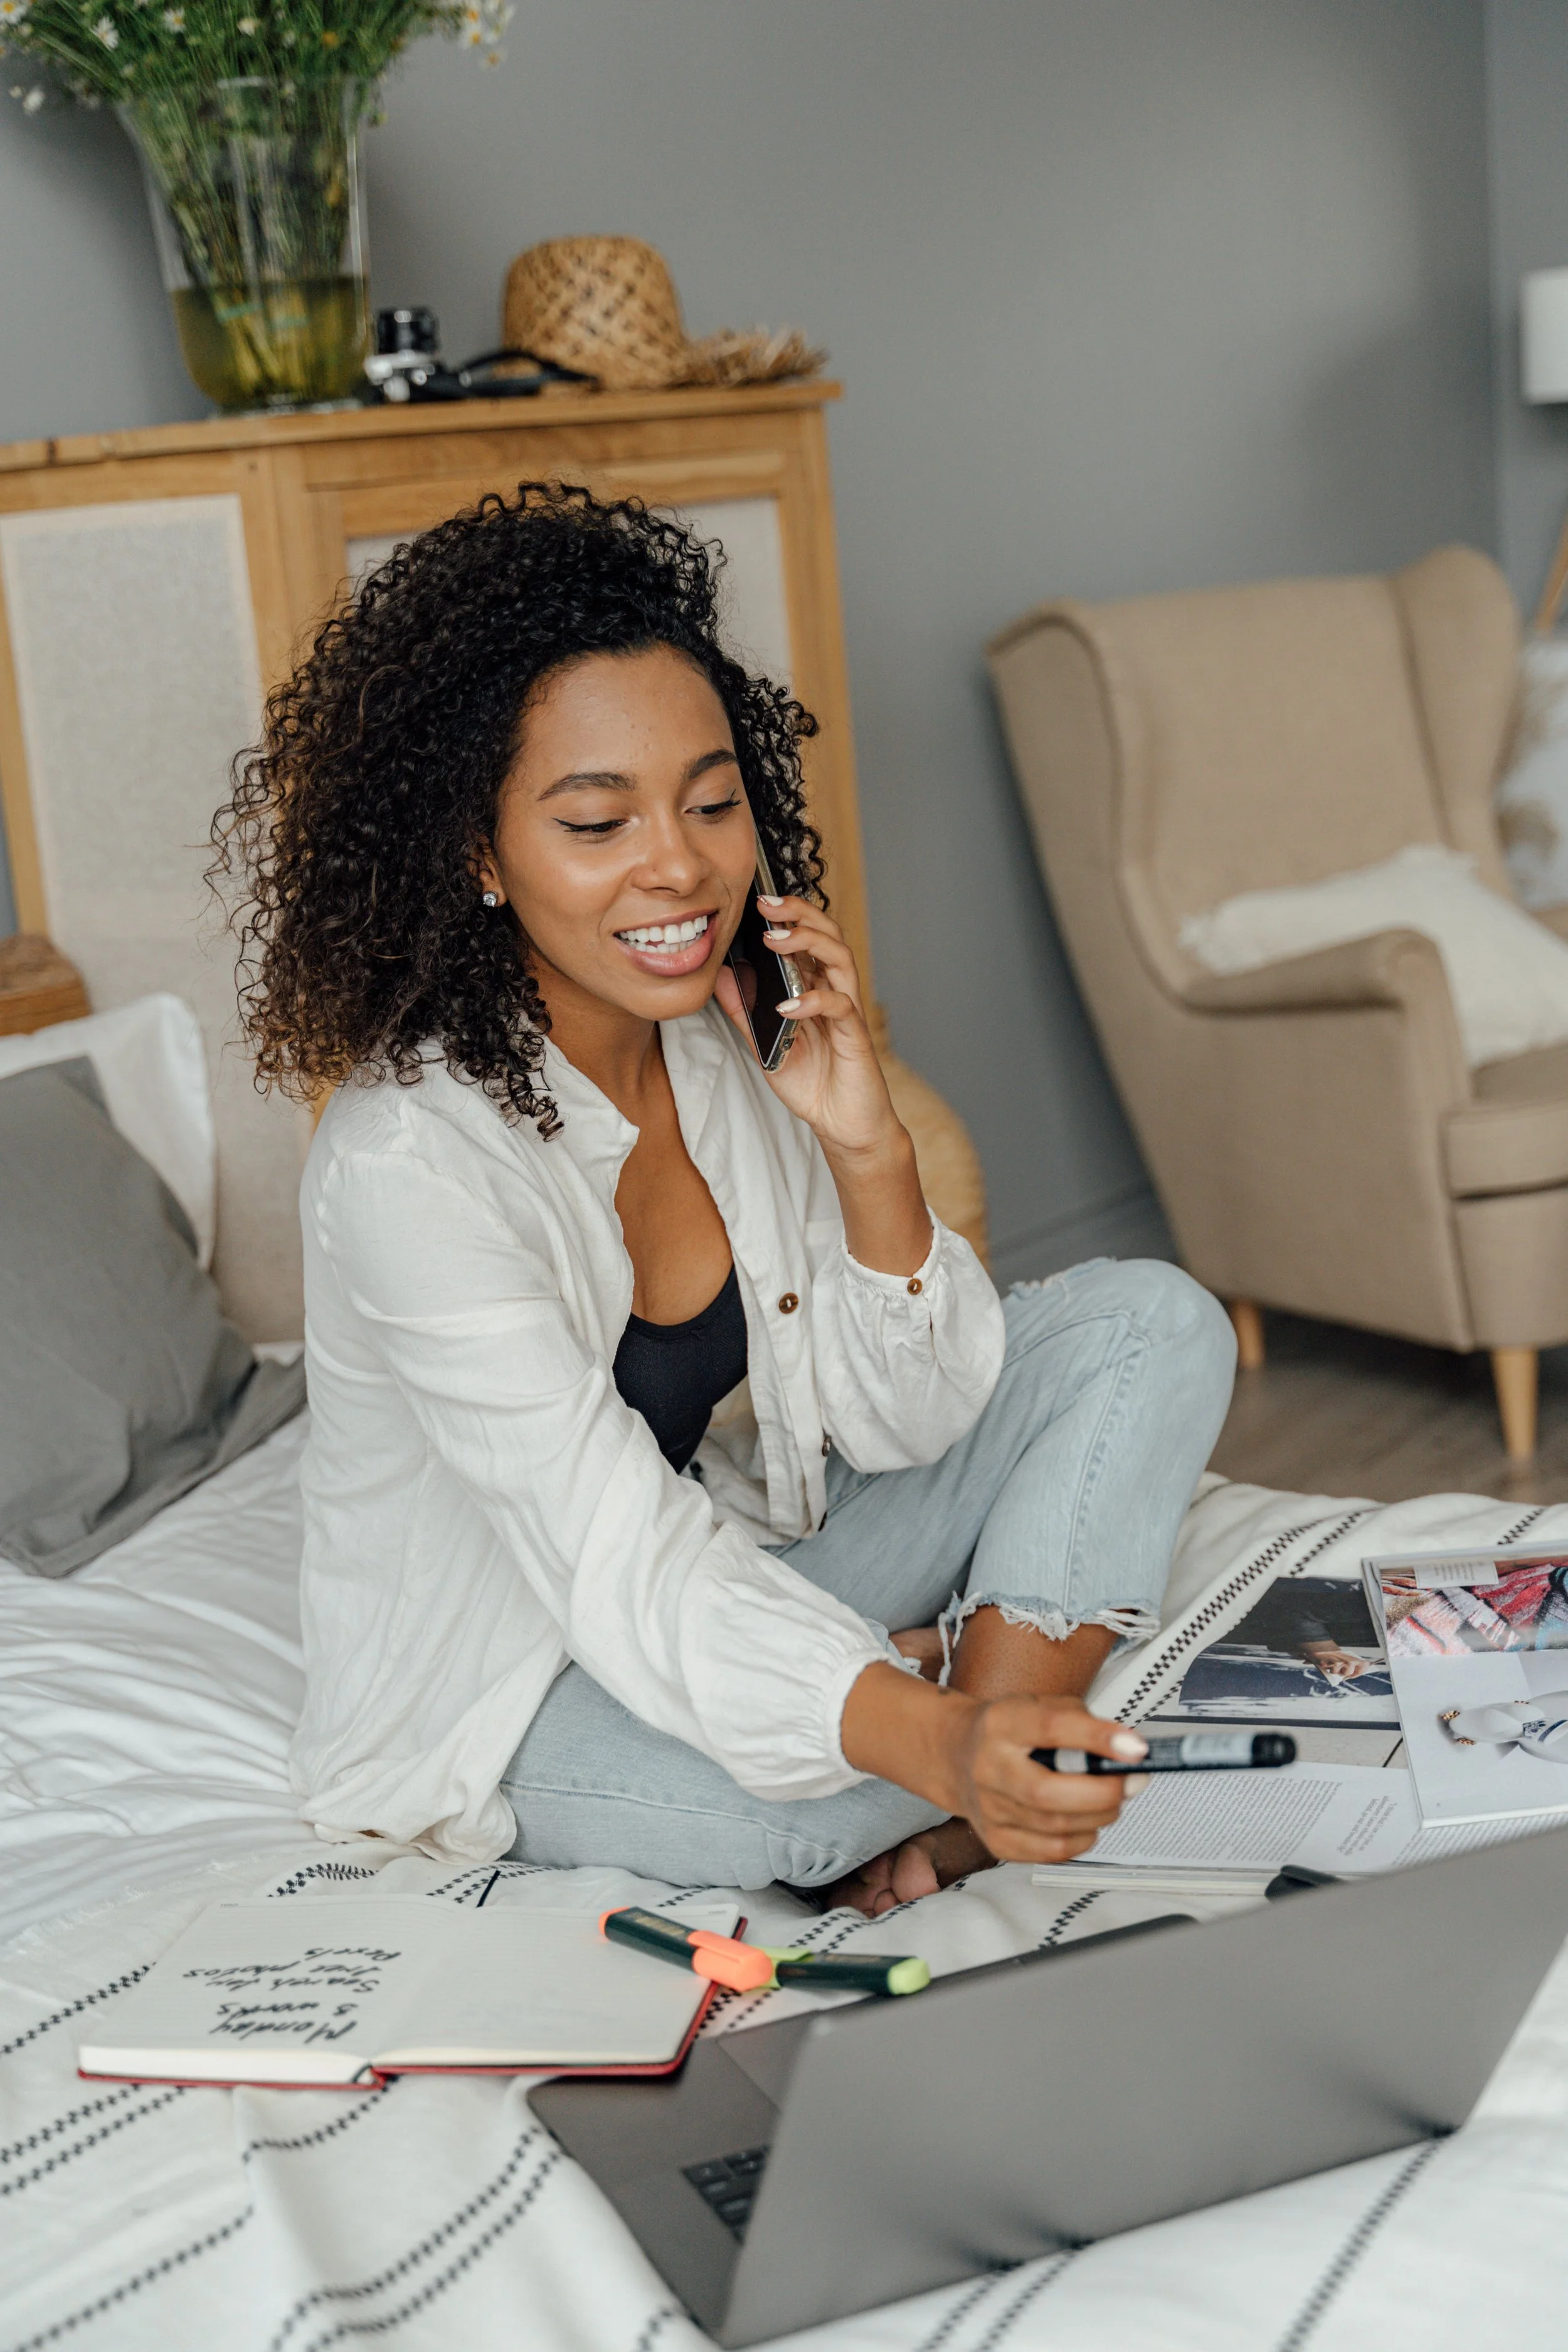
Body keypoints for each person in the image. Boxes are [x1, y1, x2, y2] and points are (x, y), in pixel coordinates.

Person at [213, 484, 1236, 1914]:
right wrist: (927, 1725)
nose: (679, 865)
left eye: (709, 800)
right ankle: (974, 1759)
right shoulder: (408, 1166)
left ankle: (977, 1790)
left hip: (730, 1574)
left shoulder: (720, 1040)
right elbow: (613, 1555)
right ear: (476, 854)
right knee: (795, 1821)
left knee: (1154, 1324)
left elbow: (901, 1421)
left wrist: (867, 1150)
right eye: (595, 820)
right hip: (520, 1690)